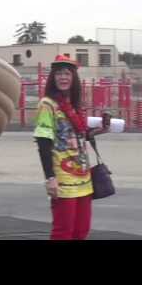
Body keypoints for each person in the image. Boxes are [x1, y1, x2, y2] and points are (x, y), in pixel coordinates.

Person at [34, 55, 110, 240]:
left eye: (67, 73)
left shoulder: (75, 105)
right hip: (63, 180)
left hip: (84, 179)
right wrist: (50, 178)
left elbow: (79, 136)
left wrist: (101, 130)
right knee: (63, 232)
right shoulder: (47, 105)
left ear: (73, 78)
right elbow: (43, 142)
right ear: (53, 78)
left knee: (81, 231)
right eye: (58, 73)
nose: (63, 77)